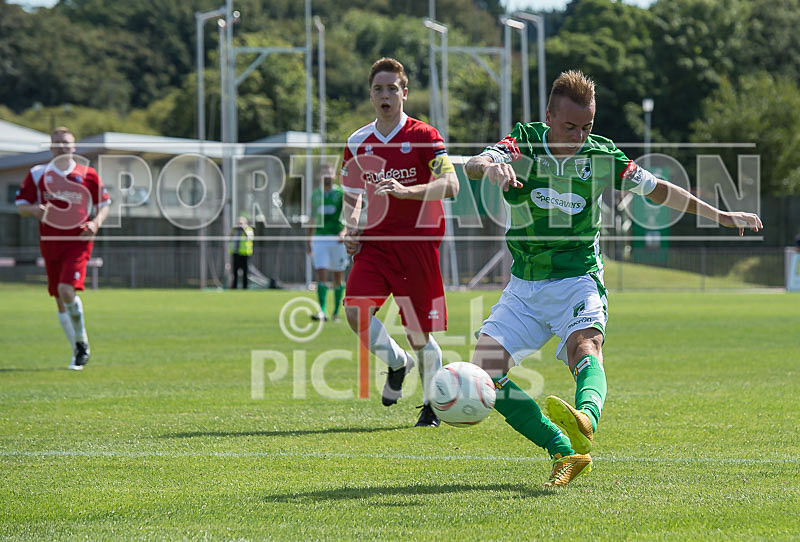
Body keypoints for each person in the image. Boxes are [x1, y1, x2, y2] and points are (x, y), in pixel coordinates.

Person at [465, 70, 763, 487]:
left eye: (587, 126)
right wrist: (491, 167)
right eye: (569, 126)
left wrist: (721, 216)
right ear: (549, 116)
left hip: (577, 278)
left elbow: (659, 189)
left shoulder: (603, 156)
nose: (579, 135)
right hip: (525, 285)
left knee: (585, 346)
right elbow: (479, 163)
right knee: (485, 370)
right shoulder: (524, 142)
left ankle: (586, 417)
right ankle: (563, 451)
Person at [341, 57, 460, 427]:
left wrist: (407, 192)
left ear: (404, 93)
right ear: (371, 94)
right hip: (375, 246)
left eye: (393, 88)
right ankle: (396, 362)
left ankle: (432, 404)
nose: (386, 94)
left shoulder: (425, 136)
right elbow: (351, 192)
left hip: (417, 246)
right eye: (379, 88)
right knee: (355, 312)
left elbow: (451, 185)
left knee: (418, 333)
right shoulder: (357, 141)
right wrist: (352, 226)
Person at [15, 127, 110, 370]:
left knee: (66, 290)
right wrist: (35, 210)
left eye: (65, 142)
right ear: (50, 147)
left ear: (74, 147)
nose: (61, 146)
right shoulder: (38, 174)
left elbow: (104, 204)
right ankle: (78, 348)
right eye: (56, 142)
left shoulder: (87, 173)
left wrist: (95, 223)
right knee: (59, 298)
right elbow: (21, 205)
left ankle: (81, 346)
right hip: (50, 243)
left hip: (78, 241)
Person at [307, 163, 348, 322]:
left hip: (336, 239)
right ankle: (322, 311)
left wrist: (344, 232)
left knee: (338, 276)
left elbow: (349, 214)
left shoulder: (340, 193)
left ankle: (336, 312)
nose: (326, 175)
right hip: (320, 238)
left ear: (334, 176)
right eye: (323, 172)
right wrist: (308, 239)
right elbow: (311, 218)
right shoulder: (316, 195)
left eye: (329, 172)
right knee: (321, 273)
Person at [229, 215, 254, 289]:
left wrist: (244, 229)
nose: (240, 225)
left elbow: (250, 238)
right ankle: (234, 287)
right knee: (235, 271)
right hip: (236, 253)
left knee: (245, 272)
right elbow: (230, 238)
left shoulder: (248, 229)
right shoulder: (234, 230)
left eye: (241, 223)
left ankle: (245, 287)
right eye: (238, 223)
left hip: (244, 253)